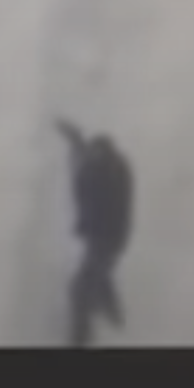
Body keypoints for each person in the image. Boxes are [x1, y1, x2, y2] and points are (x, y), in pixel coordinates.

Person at [56, 120, 134, 347]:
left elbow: (109, 209)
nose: (91, 158)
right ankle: (113, 314)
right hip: (102, 239)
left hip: (108, 239)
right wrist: (72, 135)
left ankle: (80, 339)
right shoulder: (94, 164)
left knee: (79, 289)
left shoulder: (114, 173)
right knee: (99, 277)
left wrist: (86, 224)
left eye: (97, 155)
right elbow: (80, 150)